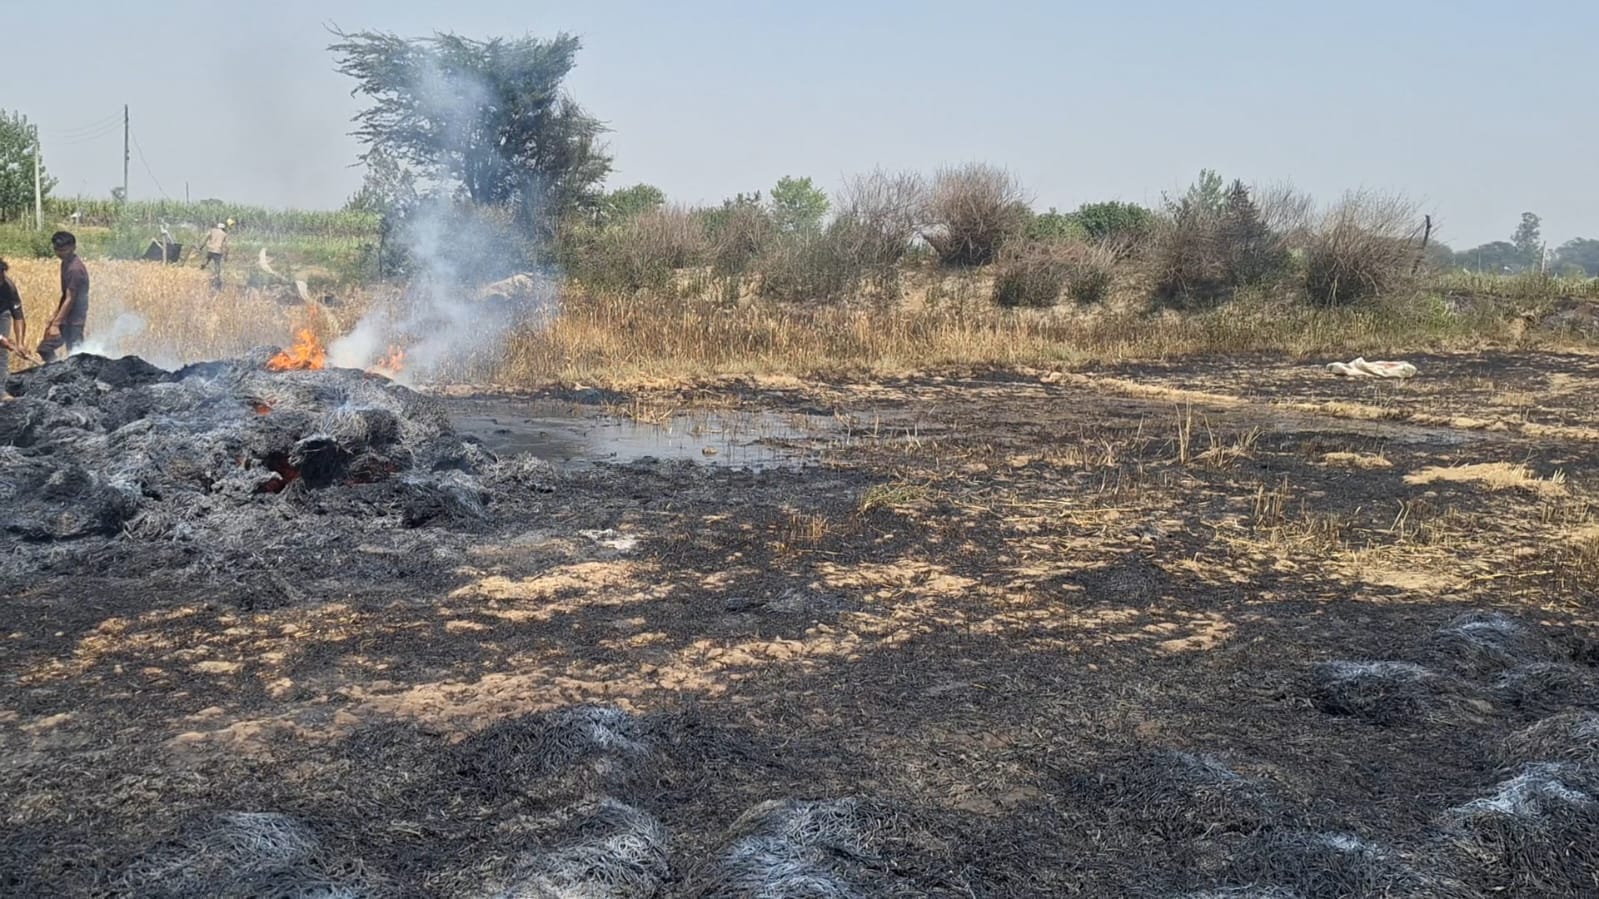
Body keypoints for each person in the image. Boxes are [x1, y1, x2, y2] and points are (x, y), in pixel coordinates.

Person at [37, 231, 88, 362]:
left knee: (75, 356)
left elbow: (70, 298)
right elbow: (64, 295)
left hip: (74, 320)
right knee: (45, 348)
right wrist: (54, 316)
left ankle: (74, 377)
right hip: (65, 317)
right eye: (57, 250)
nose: (60, 253)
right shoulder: (65, 263)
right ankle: (58, 371)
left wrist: (56, 323)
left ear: (73, 247)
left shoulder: (75, 269)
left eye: (64, 250)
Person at [1, 258, 27, 396]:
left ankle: (0, 393)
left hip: (2, 312)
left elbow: (18, 316)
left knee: (1, 353)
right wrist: (1, 339)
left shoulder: (8, 286)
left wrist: (20, 343)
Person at [199, 219, 231, 290]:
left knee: (206, 261)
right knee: (217, 265)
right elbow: (226, 246)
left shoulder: (212, 231)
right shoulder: (224, 234)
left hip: (210, 249)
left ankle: (201, 270)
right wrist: (226, 256)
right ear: (223, 228)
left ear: (218, 226)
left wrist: (201, 246)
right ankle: (217, 277)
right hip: (218, 251)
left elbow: (205, 238)